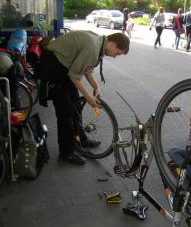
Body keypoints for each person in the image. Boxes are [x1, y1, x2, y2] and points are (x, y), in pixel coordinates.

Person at [38, 30, 130, 165]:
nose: (115, 56)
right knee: (65, 113)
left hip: (66, 67)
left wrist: (95, 86)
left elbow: (85, 68)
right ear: (113, 44)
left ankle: (80, 139)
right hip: (55, 66)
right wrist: (88, 97)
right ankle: (66, 152)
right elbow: (75, 76)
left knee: (75, 107)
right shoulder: (93, 48)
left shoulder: (99, 43)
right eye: (117, 53)